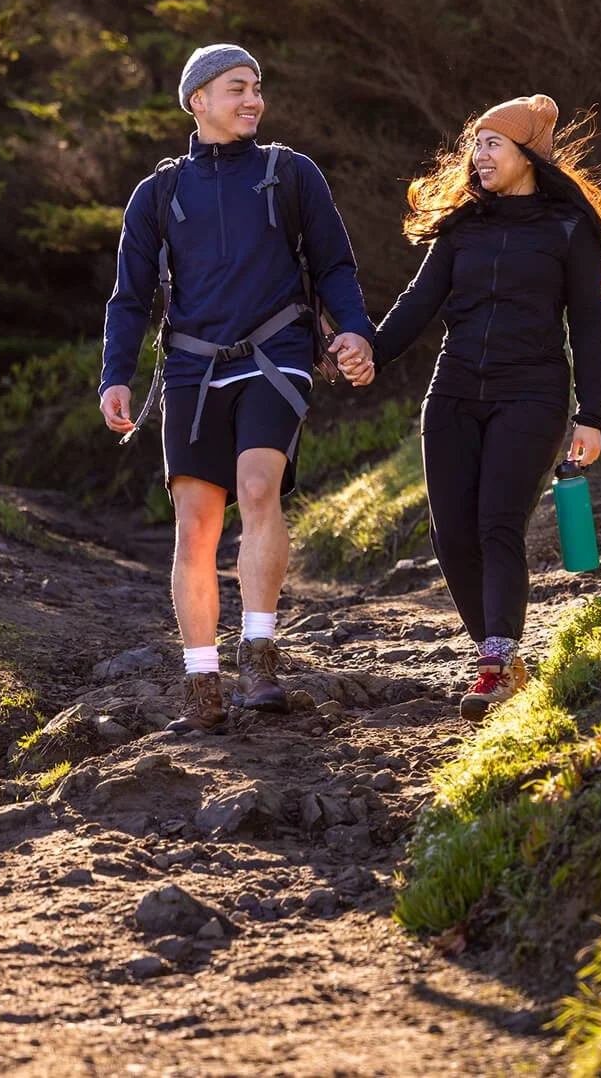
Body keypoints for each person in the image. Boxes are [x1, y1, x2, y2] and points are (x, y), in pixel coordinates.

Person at [99, 43, 374, 732]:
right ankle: (202, 686)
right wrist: (115, 375)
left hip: (275, 353)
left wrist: (356, 331)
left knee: (257, 487)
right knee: (196, 527)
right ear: (198, 100)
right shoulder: (156, 194)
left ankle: (259, 655)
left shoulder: (292, 174)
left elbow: (335, 265)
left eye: (256, 88)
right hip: (191, 367)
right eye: (236, 88)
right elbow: (129, 297)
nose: (252, 100)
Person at [344, 94, 601, 722]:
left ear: (527, 154)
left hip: (531, 393)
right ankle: (496, 652)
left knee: (496, 524)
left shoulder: (568, 229)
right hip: (452, 391)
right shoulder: (462, 228)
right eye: (475, 144)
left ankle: (498, 660)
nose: (478, 156)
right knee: (450, 533)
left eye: (492, 144)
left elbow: (587, 325)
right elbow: (416, 305)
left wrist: (592, 415)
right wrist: (368, 352)